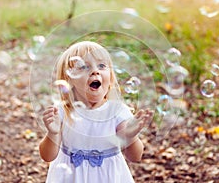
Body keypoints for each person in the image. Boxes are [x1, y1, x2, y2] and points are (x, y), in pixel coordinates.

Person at [39, 41, 154, 183]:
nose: (95, 71)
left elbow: (135, 157)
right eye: (84, 67)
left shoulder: (117, 112)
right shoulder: (63, 111)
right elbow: (47, 156)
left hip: (108, 177)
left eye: (101, 66)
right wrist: (52, 133)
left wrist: (131, 137)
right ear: (69, 80)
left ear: (110, 77)